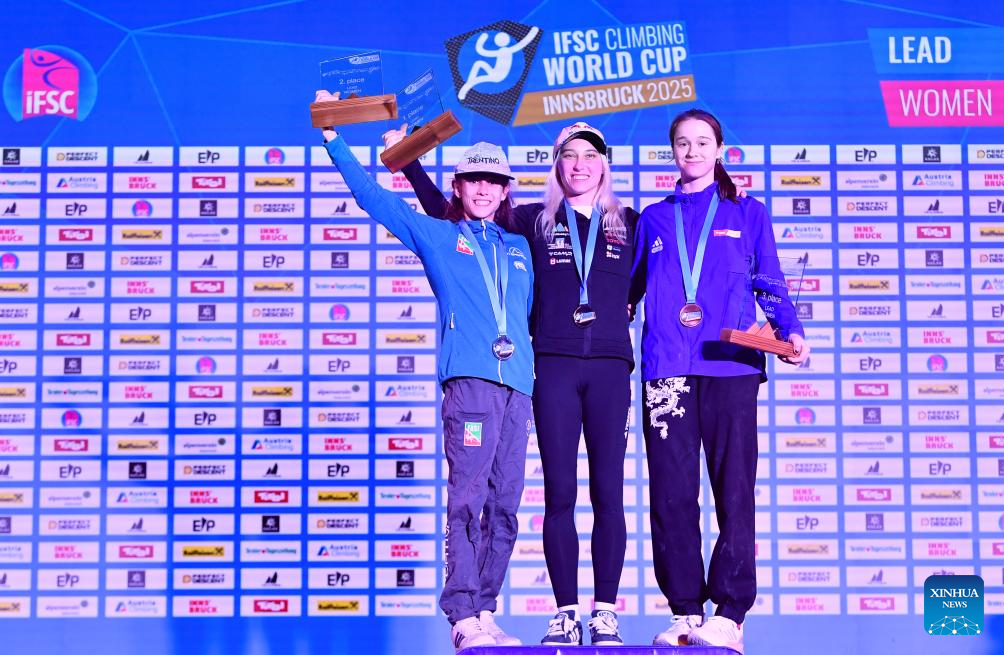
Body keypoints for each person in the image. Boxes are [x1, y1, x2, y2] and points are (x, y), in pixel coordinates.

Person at [386, 121, 635, 646]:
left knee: (608, 492)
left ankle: (605, 613)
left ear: (605, 164)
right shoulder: (529, 221)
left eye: (591, 154)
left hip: (611, 367)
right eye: (569, 154)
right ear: (556, 163)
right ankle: (564, 613)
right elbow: (451, 216)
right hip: (551, 367)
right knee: (557, 493)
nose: (580, 163)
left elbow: (648, 279)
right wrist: (409, 163)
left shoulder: (629, 222)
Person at [316, 90, 534, 652]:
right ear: (457, 187)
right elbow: (373, 199)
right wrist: (333, 135)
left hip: (519, 388)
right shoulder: (440, 236)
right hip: (470, 384)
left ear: (505, 190)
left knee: (505, 506)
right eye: (473, 179)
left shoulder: (519, 247)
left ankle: (485, 609)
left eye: (493, 181)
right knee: (468, 499)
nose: (483, 189)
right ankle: (461, 611)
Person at [629, 108, 809, 654]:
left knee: (734, 489)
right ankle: (685, 609)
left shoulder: (748, 212)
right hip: (667, 369)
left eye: (702, 142)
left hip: (731, 365)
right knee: (671, 494)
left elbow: (769, 280)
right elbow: (624, 291)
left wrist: (791, 330)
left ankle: (729, 614)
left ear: (719, 149)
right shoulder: (653, 219)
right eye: (682, 143)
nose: (692, 151)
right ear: (672, 152)